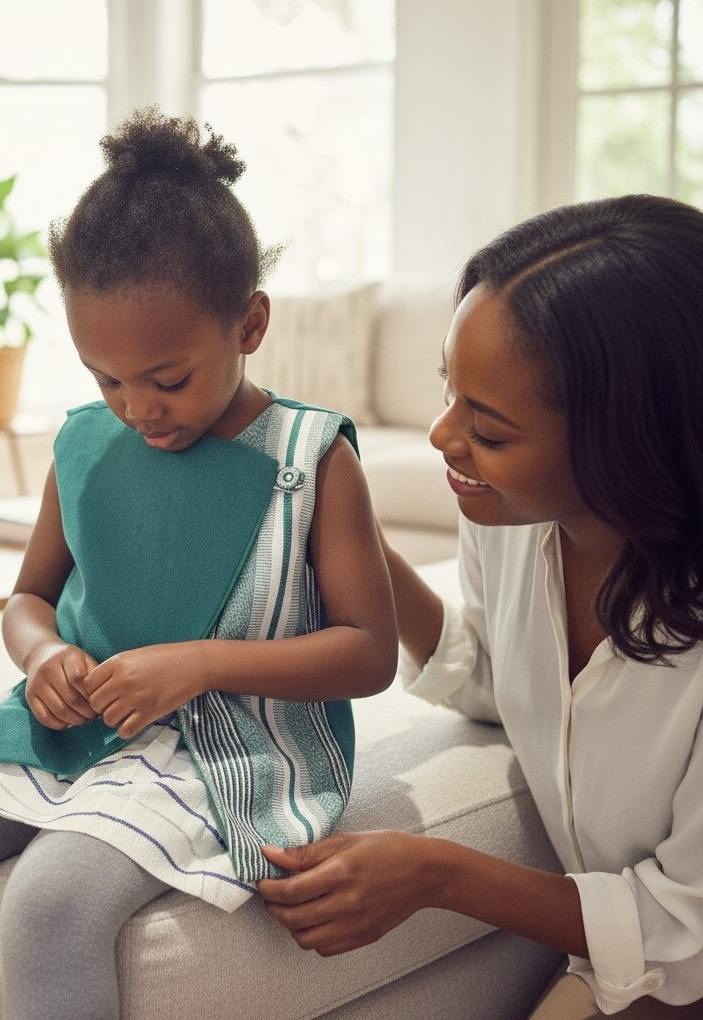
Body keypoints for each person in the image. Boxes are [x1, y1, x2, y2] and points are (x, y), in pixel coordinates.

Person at [0, 107, 398, 1020]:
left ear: (249, 324)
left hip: (226, 748)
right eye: (105, 379)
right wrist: (43, 656)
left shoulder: (313, 459)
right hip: (75, 729)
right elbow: (28, 600)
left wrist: (198, 663)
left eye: (170, 379)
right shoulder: (85, 443)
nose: (139, 410)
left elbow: (369, 652)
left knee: (51, 904)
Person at [257, 194, 703, 1018]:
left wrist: (435, 872)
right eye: (449, 392)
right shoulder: (513, 524)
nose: (440, 436)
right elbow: (504, 683)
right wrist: (359, 545)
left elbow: (688, 927)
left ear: (627, 439)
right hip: (631, 971)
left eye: (489, 429)